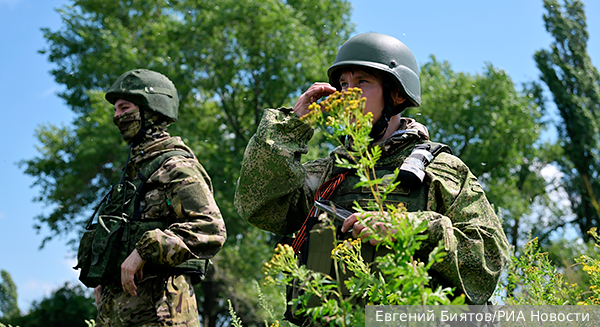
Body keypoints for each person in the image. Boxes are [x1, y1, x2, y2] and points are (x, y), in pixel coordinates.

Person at [234, 33, 509, 322]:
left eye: (362, 82)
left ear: (397, 94)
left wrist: (407, 228)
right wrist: (290, 126)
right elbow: (258, 206)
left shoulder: (440, 171)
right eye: (343, 84)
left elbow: (488, 258)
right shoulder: (329, 173)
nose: (347, 94)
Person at [75, 69, 227, 327]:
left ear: (152, 108)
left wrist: (143, 251)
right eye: (115, 110)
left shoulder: (176, 166)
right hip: (118, 313)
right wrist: (104, 277)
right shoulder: (134, 173)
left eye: (124, 108)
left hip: (162, 313)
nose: (116, 117)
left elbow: (210, 228)